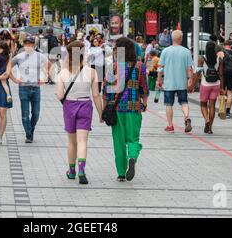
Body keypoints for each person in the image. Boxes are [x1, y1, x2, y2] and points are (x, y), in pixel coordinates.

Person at [56, 40, 103, 185]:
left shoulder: (63, 73)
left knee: (71, 141)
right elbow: (96, 95)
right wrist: (101, 113)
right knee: (83, 140)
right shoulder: (92, 71)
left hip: (70, 105)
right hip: (85, 105)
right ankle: (82, 170)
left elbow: (59, 95)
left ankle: (71, 171)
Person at [103, 37, 149, 182]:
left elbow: (107, 91)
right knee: (133, 139)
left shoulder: (114, 67)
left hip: (117, 109)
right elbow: (144, 89)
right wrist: (145, 104)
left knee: (119, 141)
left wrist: (104, 110)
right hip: (134, 109)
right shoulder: (140, 66)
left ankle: (121, 173)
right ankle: (132, 157)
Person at [10, 35, 50, 143]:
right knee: (25, 113)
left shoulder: (40, 56)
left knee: (36, 113)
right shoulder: (19, 57)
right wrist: (14, 79)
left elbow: (50, 66)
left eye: (31, 44)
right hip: (23, 88)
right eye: (26, 44)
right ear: (23, 45)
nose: (28, 46)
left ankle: (31, 130)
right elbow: (8, 67)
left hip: (36, 88)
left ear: (34, 45)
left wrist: (45, 78)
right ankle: (28, 134)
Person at [157, 30, 194, 133]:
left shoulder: (165, 51)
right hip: (182, 82)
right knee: (184, 102)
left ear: (171, 38)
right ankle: (187, 117)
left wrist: (159, 80)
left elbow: (160, 68)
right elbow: (190, 68)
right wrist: (190, 80)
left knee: (169, 104)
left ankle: (170, 126)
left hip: (169, 83)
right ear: (181, 39)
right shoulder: (186, 51)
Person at [192, 42, 224, 134]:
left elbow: (198, 73)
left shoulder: (202, 58)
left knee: (203, 105)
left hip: (205, 84)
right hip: (216, 84)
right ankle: (209, 128)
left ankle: (206, 120)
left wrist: (192, 85)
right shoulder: (219, 59)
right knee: (212, 106)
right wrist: (222, 88)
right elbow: (221, 74)